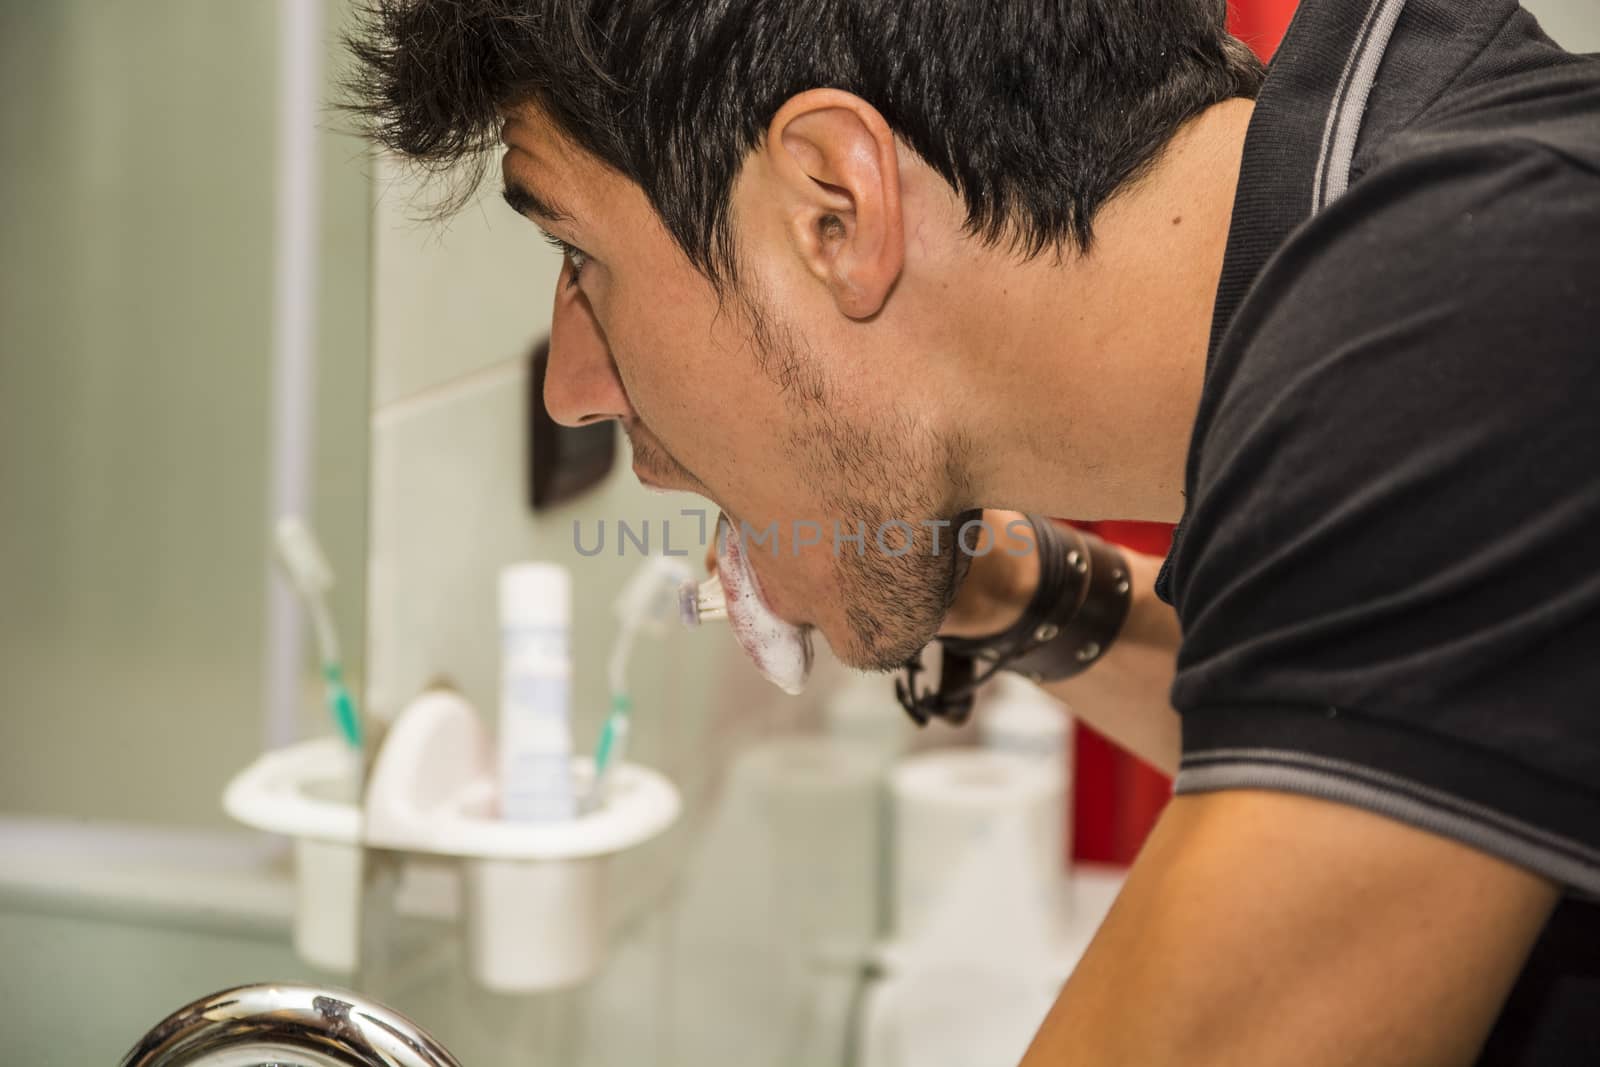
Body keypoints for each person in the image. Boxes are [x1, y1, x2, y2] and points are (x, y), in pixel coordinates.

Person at [346, 0, 1599, 1062]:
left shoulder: (1477, 311)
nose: (573, 383)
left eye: (578, 251)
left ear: (833, 207)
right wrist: (979, 584)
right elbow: (1352, 698)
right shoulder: (1412, 207)